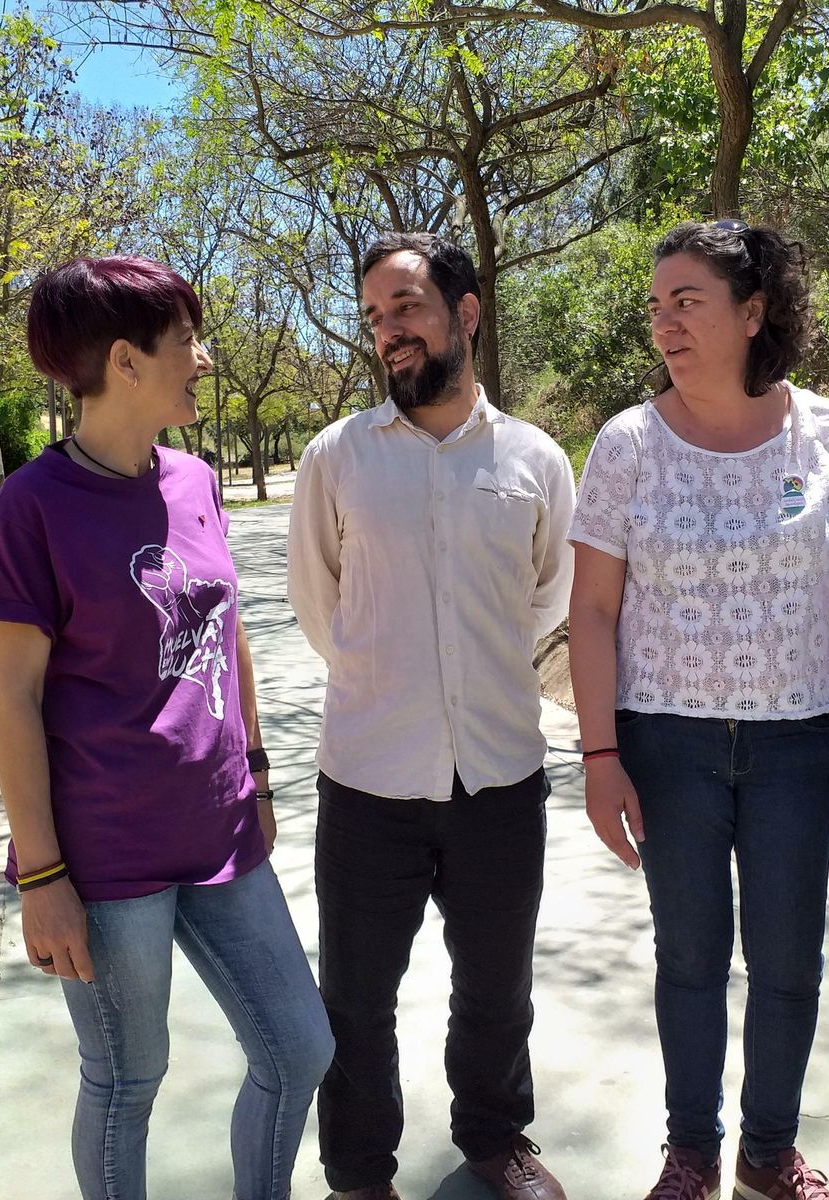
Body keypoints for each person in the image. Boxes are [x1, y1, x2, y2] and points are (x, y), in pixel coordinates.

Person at [0, 255, 334, 1200]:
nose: (203, 358)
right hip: (104, 856)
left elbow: (226, 627)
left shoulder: (195, 478)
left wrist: (252, 766)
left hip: (219, 831)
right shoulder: (30, 509)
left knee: (299, 1048)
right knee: (129, 1081)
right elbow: (13, 699)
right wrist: (41, 876)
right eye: (185, 341)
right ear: (125, 361)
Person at [567, 219, 829, 1200]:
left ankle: (766, 1154)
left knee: (790, 960)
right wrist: (598, 756)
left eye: (687, 301)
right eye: (656, 305)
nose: (663, 322)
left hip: (797, 740)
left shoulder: (826, 434)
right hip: (667, 744)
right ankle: (690, 1152)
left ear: (752, 314)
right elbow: (590, 609)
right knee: (691, 959)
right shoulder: (626, 445)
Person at [287, 231, 576, 1200]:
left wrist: (470, 684)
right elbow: (321, 610)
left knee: (496, 989)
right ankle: (360, 1172)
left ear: (465, 311)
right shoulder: (338, 459)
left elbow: (546, 599)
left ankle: (495, 1140)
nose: (388, 332)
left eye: (405, 306)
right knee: (357, 1001)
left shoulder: (534, 458)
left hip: (500, 776)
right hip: (369, 780)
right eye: (374, 316)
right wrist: (393, 687)